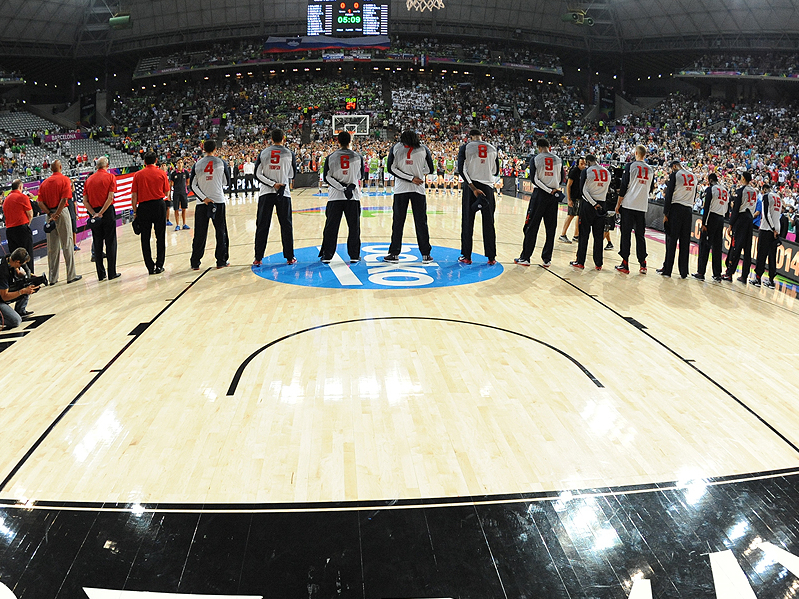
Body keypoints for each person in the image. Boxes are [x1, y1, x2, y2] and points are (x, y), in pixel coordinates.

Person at [384, 130, 435, 264]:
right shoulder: (423, 149)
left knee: (398, 222)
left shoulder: (396, 148)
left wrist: (409, 178)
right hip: (418, 189)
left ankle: (394, 253)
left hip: (401, 190)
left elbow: (391, 168)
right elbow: (430, 169)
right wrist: (416, 176)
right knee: (421, 222)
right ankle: (425, 254)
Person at [515, 137, 563, 268]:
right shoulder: (558, 159)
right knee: (551, 228)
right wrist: (553, 190)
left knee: (531, 226)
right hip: (553, 195)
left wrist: (547, 189)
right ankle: (547, 259)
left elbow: (534, 180)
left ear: (538, 147)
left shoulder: (536, 159)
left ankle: (526, 257)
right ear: (549, 147)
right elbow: (561, 178)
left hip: (540, 195)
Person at [253, 129, 297, 266]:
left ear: (271, 139)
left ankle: (258, 258)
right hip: (283, 193)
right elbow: (292, 174)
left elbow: (257, 174)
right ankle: (289, 257)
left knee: (262, 225)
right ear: (283, 138)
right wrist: (279, 180)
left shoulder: (263, 153)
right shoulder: (289, 153)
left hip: (266, 192)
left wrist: (272, 183)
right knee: (286, 225)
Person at [320, 131, 365, 263]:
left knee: (331, 227)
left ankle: (327, 255)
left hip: (335, 197)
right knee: (354, 227)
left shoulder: (331, 157)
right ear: (350, 141)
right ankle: (354, 255)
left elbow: (327, 177)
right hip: (353, 197)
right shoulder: (358, 157)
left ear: (337, 142)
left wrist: (341, 187)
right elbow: (360, 176)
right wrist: (348, 187)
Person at [458, 129, 500, 265]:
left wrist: (473, 188)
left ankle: (467, 256)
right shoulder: (493, 148)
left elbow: (461, 169)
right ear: (482, 137)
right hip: (488, 187)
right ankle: (491, 257)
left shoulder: (465, 147)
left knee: (468, 222)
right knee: (489, 223)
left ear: (470, 137)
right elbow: (495, 171)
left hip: (472, 188)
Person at [36, 159, 80, 284]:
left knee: (52, 247)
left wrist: (50, 214)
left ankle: (53, 278)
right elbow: (64, 198)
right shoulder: (65, 179)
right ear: (60, 167)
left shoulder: (44, 183)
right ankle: (71, 275)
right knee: (67, 244)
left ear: (51, 169)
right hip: (61, 213)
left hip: (49, 215)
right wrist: (57, 214)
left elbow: (40, 202)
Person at [190, 140, 231, 270]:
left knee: (200, 233)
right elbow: (226, 182)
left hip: (201, 203)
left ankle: (195, 262)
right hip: (218, 201)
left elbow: (192, 185)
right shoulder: (221, 163)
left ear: (203, 149)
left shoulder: (197, 165)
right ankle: (221, 261)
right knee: (221, 231)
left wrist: (204, 198)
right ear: (215, 149)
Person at [614, 144, 654, 274]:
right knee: (640, 235)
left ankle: (625, 264)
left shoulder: (630, 166)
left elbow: (624, 186)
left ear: (636, 153)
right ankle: (643, 264)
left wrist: (618, 204)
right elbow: (651, 188)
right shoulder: (650, 169)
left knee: (626, 235)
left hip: (629, 204)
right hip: (642, 207)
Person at [131, 152, 170, 275]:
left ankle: (149, 266)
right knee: (160, 236)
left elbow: (134, 196)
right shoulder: (161, 173)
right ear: (156, 160)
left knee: (145, 238)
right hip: (159, 205)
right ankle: (159, 265)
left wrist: (135, 211)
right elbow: (167, 192)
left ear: (144, 162)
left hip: (144, 207)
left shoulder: (138, 175)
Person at [657, 161, 696, 278]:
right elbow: (694, 195)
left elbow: (669, 195)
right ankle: (683, 272)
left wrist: (666, 213)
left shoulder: (675, 175)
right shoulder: (693, 176)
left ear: (674, 166)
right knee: (685, 242)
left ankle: (667, 269)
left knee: (671, 240)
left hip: (676, 209)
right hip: (688, 210)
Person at [83, 157, 120, 281]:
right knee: (111, 243)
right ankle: (112, 273)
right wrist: (102, 212)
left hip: (94, 214)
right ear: (107, 165)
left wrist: (94, 213)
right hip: (107, 212)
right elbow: (110, 198)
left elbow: (85, 201)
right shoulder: (110, 177)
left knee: (97, 244)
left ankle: (100, 274)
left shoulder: (88, 180)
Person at [570, 155, 609, 270]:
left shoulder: (587, 171)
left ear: (587, 162)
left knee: (584, 234)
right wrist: (599, 203)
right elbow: (606, 190)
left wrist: (593, 203)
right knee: (598, 236)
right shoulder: (607, 172)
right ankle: (598, 263)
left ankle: (580, 261)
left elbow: (583, 191)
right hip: (602, 204)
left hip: (588, 205)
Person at [722, 171, 758, 283]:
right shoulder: (755, 192)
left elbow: (736, 209)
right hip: (750, 220)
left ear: (743, 179)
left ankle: (729, 273)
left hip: (741, 220)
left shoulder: (740, 191)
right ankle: (744, 276)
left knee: (735, 247)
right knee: (747, 249)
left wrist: (731, 224)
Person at [693, 173, 728, 282]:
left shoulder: (711, 189)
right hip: (721, 219)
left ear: (710, 180)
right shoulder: (725, 190)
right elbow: (726, 209)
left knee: (704, 246)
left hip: (711, 218)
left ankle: (701, 272)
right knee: (717, 247)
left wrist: (704, 223)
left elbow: (707, 207)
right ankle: (717, 274)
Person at [752, 183, 782, 289]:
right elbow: (778, 215)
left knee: (761, 254)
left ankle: (758, 278)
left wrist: (772, 228)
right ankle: (771, 281)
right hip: (776, 229)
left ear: (764, 189)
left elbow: (766, 213)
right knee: (772, 256)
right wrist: (776, 230)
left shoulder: (766, 196)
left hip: (766, 229)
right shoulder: (778, 197)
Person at [0, 248, 38, 330]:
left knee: (25, 284)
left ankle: (20, 310)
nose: (20, 266)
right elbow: (4, 296)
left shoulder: (9, 259)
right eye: (21, 264)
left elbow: (18, 272)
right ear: (17, 261)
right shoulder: (2, 271)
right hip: (1, 297)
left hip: (3, 293)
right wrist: (23, 291)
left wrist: (29, 278)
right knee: (15, 321)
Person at [2, 180, 34, 272]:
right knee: (27, 253)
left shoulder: (6, 199)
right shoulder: (22, 197)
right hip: (21, 228)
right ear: (20, 187)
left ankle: (16, 276)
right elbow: (30, 214)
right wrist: (27, 224)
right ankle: (30, 276)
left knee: (14, 256)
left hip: (10, 230)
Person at [560, 157, 586, 243]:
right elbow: (568, 185)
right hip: (573, 197)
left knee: (579, 216)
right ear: (578, 164)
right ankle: (562, 235)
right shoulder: (574, 171)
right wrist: (569, 199)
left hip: (581, 197)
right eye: (582, 164)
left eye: (584, 164)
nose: (583, 165)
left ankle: (576, 235)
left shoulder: (585, 172)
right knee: (571, 215)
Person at [170, 159, 190, 231]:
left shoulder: (186, 173)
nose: (180, 164)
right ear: (176, 164)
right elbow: (171, 184)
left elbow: (188, 182)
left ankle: (184, 224)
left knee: (184, 208)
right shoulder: (173, 173)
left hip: (183, 192)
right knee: (176, 209)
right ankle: (177, 224)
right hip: (176, 193)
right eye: (178, 163)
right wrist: (170, 193)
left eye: (181, 162)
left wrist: (184, 188)